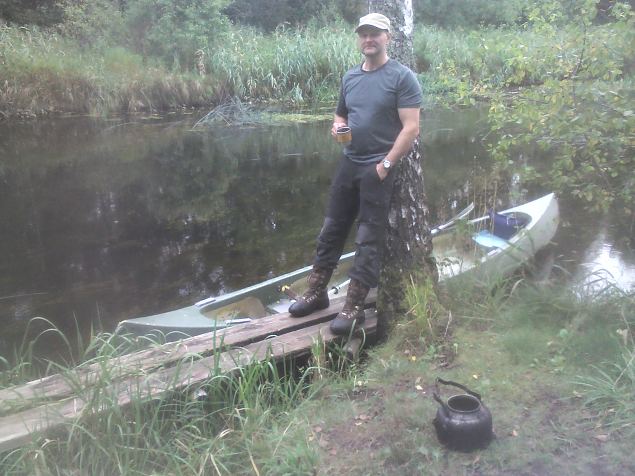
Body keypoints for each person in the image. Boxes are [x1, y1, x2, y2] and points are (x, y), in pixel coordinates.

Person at [289, 13, 422, 335]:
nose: (369, 39)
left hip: (377, 167)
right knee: (331, 230)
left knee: (367, 238)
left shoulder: (402, 77)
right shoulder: (350, 77)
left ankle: (354, 307)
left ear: (388, 37)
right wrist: (338, 127)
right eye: (364, 34)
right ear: (359, 39)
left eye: (375, 33)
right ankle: (316, 292)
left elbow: (411, 128)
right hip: (349, 162)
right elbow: (340, 115)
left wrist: (385, 166)